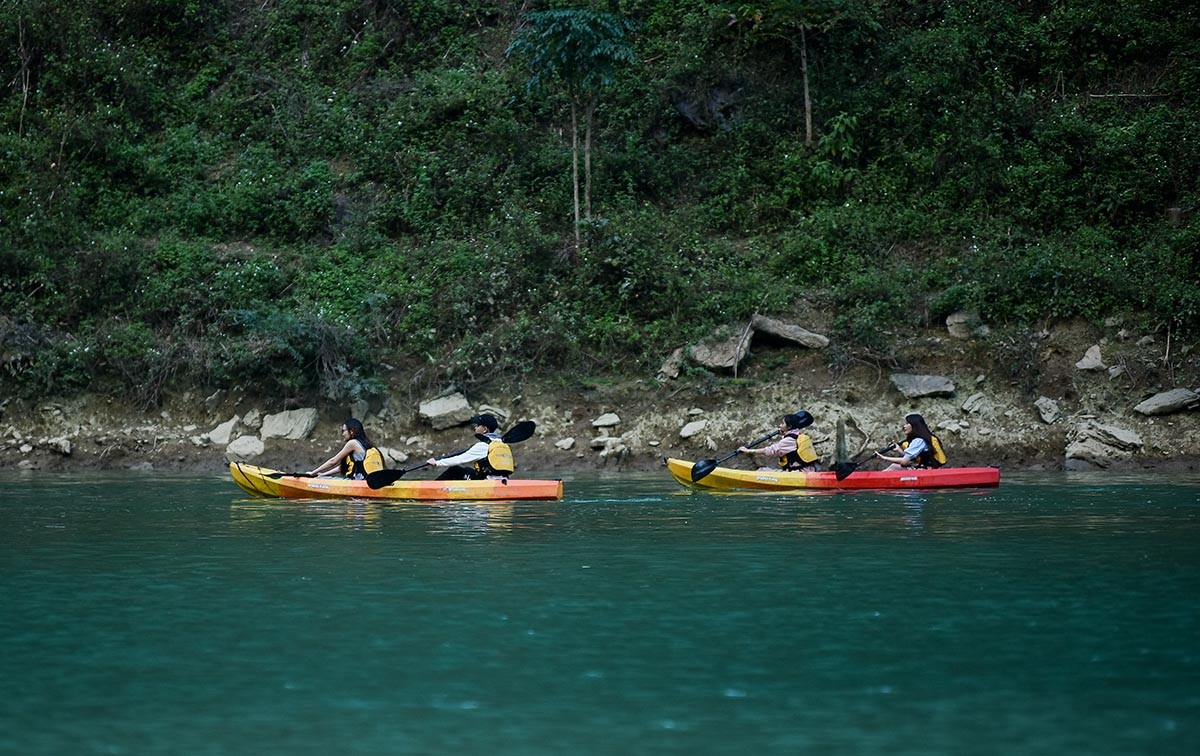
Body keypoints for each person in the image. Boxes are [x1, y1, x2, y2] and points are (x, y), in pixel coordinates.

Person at [427, 413, 515, 481]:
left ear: (484, 429)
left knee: (454, 470)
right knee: (467, 469)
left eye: (477, 425)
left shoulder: (482, 446)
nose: (475, 427)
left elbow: (460, 459)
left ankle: (430, 490)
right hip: (502, 480)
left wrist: (437, 463)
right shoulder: (501, 443)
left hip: (487, 483)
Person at [739, 411, 821, 472]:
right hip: (809, 471)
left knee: (761, 471)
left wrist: (748, 451)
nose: (780, 425)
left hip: (798, 474)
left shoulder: (790, 440)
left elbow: (771, 451)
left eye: (782, 423)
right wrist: (785, 432)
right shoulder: (798, 434)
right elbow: (790, 437)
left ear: (789, 427)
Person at [308, 418, 383, 479]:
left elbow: (333, 461)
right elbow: (343, 468)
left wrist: (312, 473)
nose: (343, 434)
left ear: (352, 431)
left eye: (344, 431)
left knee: (325, 479)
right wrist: (323, 474)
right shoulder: (367, 444)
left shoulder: (352, 443)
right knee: (323, 477)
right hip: (367, 481)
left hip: (359, 483)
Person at [875, 413, 947, 470]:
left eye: (907, 423)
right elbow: (911, 458)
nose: (904, 426)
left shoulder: (919, 441)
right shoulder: (923, 438)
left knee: (895, 466)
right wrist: (899, 450)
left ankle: (875, 480)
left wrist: (884, 458)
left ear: (915, 425)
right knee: (895, 466)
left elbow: (904, 461)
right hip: (928, 469)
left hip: (927, 471)